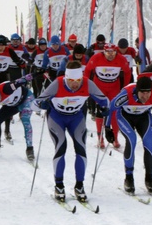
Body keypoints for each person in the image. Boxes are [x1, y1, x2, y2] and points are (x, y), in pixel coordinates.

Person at [34, 61, 109, 203]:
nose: (75, 84)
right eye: (71, 81)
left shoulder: (87, 83)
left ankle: (79, 186)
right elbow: (36, 103)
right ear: (66, 78)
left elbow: (105, 100)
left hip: (76, 118)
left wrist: (104, 107)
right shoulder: (57, 83)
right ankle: (59, 185)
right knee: (61, 147)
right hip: (57, 118)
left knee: (81, 148)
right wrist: (42, 103)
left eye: (78, 81)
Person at [106, 76, 152, 195]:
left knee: (148, 142)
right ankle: (129, 178)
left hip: (143, 116)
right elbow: (110, 108)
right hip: (125, 116)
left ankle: (149, 178)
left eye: (148, 93)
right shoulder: (125, 95)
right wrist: (108, 128)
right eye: (142, 93)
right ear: (137, 91)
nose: (145, 96)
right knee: (131, 140)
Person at [0, 74, 35, 160]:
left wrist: (38, 73)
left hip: (26, 99)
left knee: (25, 120)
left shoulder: (7, 88)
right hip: (12, 105)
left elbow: (23, 79)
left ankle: (30, 149)